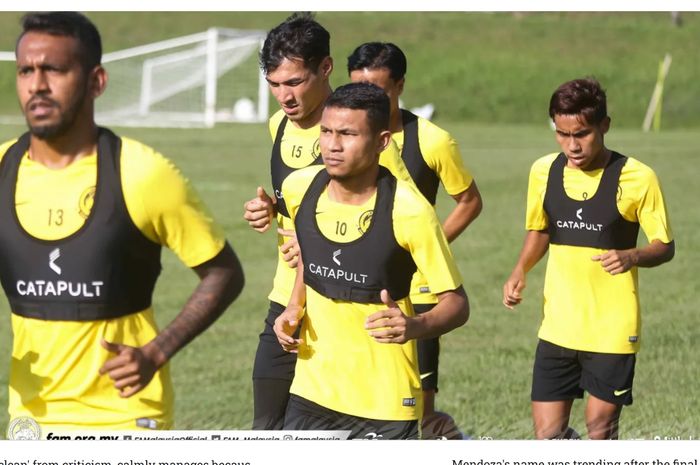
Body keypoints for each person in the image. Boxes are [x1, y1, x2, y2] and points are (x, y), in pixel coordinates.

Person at [1, 11, 244, 432]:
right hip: (31, 423)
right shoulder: (3, 168)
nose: (37, 85)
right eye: (26, 70)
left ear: (97, 81)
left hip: (126, 420)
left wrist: (156, 352)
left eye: (54, 69)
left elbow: (224, 273)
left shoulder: (143, 173)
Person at [243, 13, 412, 430]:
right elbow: (302, 201)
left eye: (295, 82)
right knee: (266, 426)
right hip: (287, 297)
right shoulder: (278, 126)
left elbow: (395, 221)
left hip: (344, 308)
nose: (285, 95)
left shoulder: (360, 137)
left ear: (326, 68)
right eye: (275, 84)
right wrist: (272, 209)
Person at [273, 82, 469, 439]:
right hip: (311, 392)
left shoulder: (410, 211)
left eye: (347, 134)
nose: (332, 145)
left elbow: (457, 304)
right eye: (327, 131)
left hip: (384, 403)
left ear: (382, 142)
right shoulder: (299, 187)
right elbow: (311, 256)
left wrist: (414, 327)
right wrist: (293, 306)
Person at [502, 78, 674, 439]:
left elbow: (664, 245)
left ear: (604, 126)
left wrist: (634, 255)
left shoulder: (638, 178)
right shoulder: (543, 171)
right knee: (547, 437)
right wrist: (520, 269)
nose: (572, 145)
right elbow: (541, 229)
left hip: (612, 329)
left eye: (581, 134)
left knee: (600, 433)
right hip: (558, 326)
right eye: (562, 134)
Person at [347, 41, 482, 438]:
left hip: (418, 291)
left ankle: (448, 441)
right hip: (357, 282)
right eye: (360, 89)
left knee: (417, 402)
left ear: (401, 85)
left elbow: (470, 202)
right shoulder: (343, 136)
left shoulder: (433, 141)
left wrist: (425, 251)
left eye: (378, 90)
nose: (368, 101)